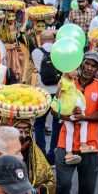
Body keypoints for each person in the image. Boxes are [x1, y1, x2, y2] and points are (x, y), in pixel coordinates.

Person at [55, 51, 98, 194]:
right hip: (65, 144)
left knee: (87, 189)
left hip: (89, 145)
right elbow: (54, 110)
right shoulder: (67, 81)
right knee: (63, 185)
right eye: (87, 64)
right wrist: (68, 117)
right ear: (81, 64)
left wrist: (83, 117)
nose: (89, 68)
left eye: (94, 66)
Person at [31, 30, 61, 163]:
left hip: (42, 93)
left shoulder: (35, 52)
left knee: (39, 124)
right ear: (53, 39)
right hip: (58, 91)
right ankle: (53, 156)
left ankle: (41, 155)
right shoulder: (60, 51)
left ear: (40, 40)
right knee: (56, 124)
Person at [10, 118, 56, 194]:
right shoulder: (3, 152)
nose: (24, 136)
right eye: (20, 132)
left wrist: (36, 191)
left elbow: (50, 181)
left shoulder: (36, 153)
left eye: (27, 132)